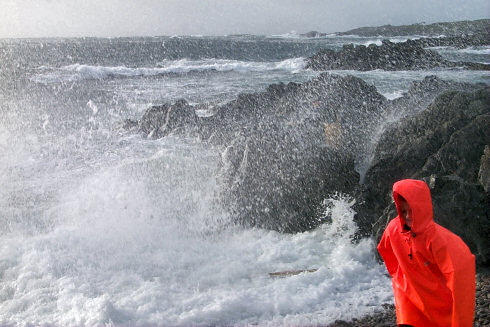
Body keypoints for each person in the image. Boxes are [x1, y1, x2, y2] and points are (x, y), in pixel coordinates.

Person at [377, 179, 475, 327]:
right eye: (403, 211)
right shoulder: (393, 229)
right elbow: (385, 249)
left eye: (412, 211)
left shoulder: (440, 240)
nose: (408, 216)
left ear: (422, 208)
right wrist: (402, 281)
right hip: (411, 307)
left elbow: (461, 278)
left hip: (441, 310)